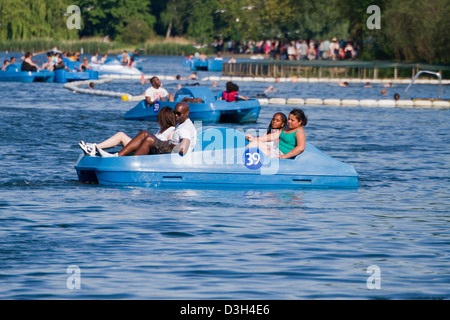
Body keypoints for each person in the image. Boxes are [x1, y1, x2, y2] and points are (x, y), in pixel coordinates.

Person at [98, 102, 196, 157]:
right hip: (170, 150)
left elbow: (183, 149)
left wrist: (169, 143)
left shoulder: (186, 128)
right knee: (144, 134)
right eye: (175, 113)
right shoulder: (182, 124)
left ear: (187, 113)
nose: (175, 115)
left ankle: (124, 159)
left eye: (179, 113)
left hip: (172, 154)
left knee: (148, 138)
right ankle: (118, 155)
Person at [79, 107, 177, 157]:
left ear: (164, 119)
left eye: (159, 118)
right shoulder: (160, 130)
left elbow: (168, 148)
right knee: (121, 135)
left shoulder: (172, 130)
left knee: (143, 134)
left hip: (151, 153)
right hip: (145, 148)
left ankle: (115, 155)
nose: (157, 120)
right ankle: (94, 148)